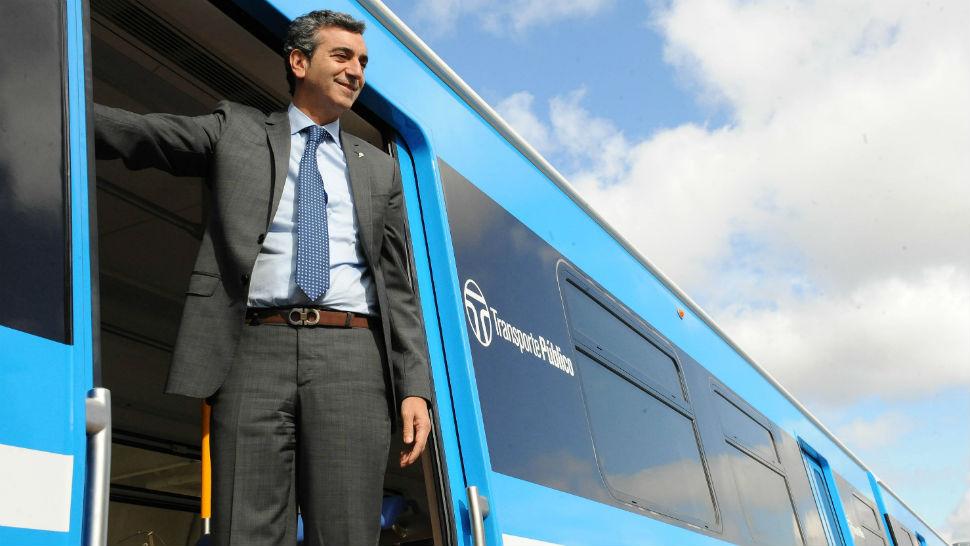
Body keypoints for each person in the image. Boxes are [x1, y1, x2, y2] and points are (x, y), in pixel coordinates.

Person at [93, 10, 431, 546]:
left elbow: (397, 289)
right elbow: (146, 135)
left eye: (363, 62)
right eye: (342, 56)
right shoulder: (237, 128)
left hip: (352, 357)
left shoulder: (378, 168)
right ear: (298, 62)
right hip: (252, 351)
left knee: (346, 531)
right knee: (244, 531)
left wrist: (415, 388)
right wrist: (46, 100)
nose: (356, 71)